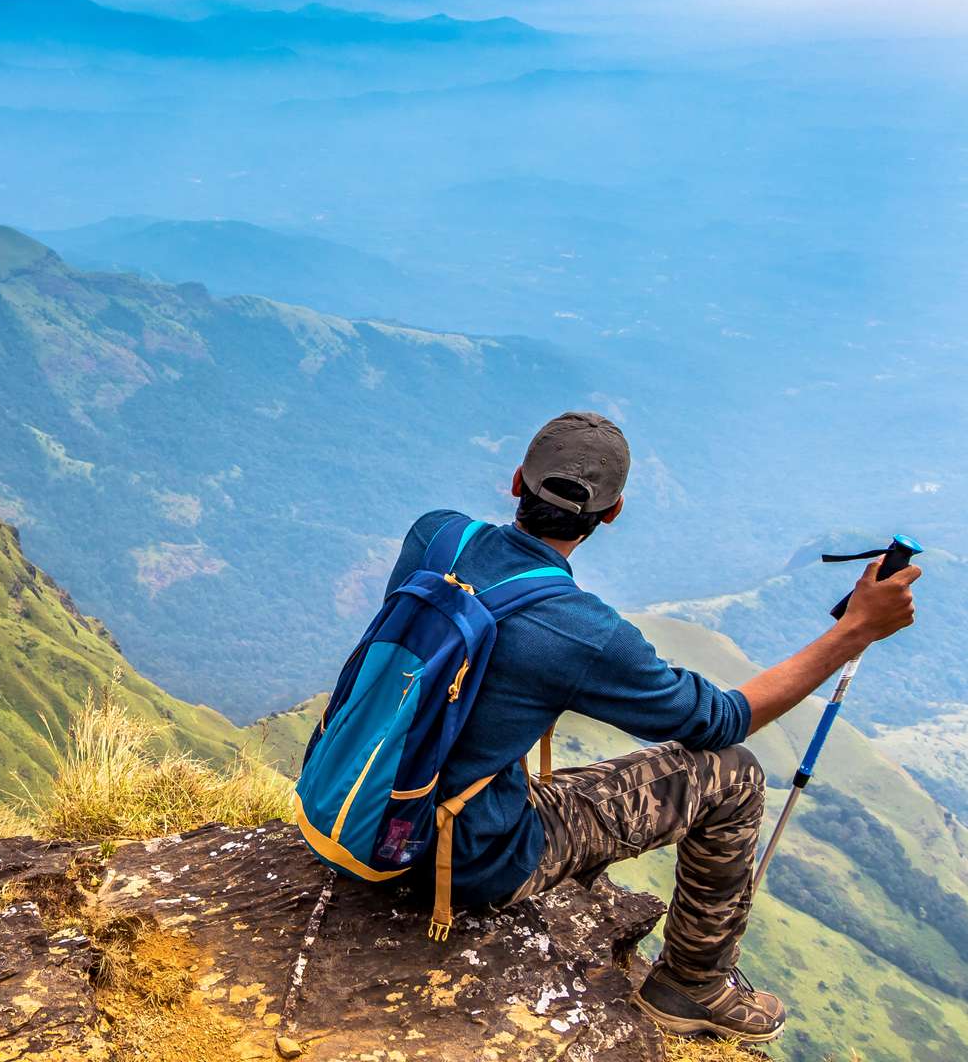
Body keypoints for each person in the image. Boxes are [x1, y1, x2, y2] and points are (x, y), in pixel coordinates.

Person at [384, 411, 920, 1042]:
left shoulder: (436, 536)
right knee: (733, 776)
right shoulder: (582, 632)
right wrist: (855, 630)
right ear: (612, 513)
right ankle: (692, 985)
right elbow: (722, 720)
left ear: (516, 481)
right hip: (462, 859)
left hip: (358, 804)